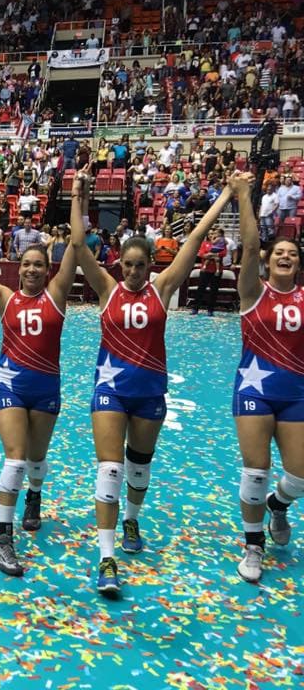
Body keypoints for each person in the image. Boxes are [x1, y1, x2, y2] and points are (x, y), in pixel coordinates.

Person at [74, 176, 234, 595]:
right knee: (110, 468)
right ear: (118, 264)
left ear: (149, 265)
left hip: (149, 393)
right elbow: (77, 244)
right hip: (109, 390)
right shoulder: (107, 289)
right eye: (126, 264)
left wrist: (227, 197)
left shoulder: (161, 290)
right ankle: (106, 559)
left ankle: (131, 515)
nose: (131, 270)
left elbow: (195, 240)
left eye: (139, 264)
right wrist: (79, 197)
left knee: (138, 466)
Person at [0, 169, 86, 575]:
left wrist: (78, 195)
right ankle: (3, 537)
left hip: (46, 386)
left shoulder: (57, 296)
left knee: (36, 457)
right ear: (19, 266)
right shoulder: (3, 297)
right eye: (26, 264)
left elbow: (78, 245)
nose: (31, 270)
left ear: (48, 269)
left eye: (38, 265)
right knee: (14, 458)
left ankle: (35, 495)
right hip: (9, 385)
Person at [230, 172, 304, 583]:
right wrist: (244, 195)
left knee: (298, 476)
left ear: (298, 262)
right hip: (254, 392)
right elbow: (252, 243)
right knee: (255, 470)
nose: (285, 256)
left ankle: (278, 505)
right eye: (279, 252)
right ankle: (253, 544)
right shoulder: (252, 293)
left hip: (295, 394)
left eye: (292, 253)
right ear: (268, 259)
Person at [190, 228, 227, 315]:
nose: (211, 235)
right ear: (207, 235)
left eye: (213, 233)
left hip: (216, 271)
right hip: (205, 270)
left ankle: (210, 310)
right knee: (200, 289)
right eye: (210, 234)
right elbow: (201, 254)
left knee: (214, 291)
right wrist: (207, 255)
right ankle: (195, 309)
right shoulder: (204, 243)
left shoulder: (221, 243)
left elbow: (224, 253)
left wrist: (213, 255)